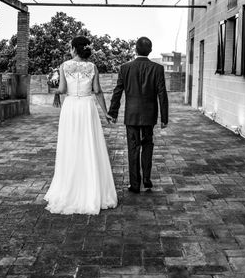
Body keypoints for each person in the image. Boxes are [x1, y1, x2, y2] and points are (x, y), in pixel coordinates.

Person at [44, 36, 118, 215]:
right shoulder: (92, 67)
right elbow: (98, 91)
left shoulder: (64, 66)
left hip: (70, 107)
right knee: (89, 145)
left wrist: (52, 85)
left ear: (74, 49)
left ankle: (69, 190)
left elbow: (61, 90)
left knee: (70, 146)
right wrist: (106, 112)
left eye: (70, 47)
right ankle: (91, 190)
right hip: (87, 107)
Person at [108, 37, 168, 194]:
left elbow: (118, 91)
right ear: (150, 50)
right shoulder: (158, 68)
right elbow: (162, 94)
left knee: (133, 148)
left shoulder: (125, 67)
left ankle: (135, 184)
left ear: (135, 49)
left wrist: (112, 113)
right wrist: (164, 117)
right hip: (149, 115)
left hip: (132, 115)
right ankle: (147, 180)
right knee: (148, 146)